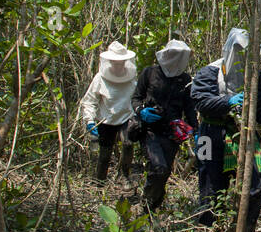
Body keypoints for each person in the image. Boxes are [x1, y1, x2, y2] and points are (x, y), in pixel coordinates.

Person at [191, 28, 261, 232]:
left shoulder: (256, 77)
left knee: (258, 187)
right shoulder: (209, 72)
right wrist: (228, 102)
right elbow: (200, 102)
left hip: (242, 134)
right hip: (208, 135)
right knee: (209, 190)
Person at [126, 39, 197, 211]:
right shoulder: (149, 73)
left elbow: (189, 108)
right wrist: (141, 110)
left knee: (164, 173)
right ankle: (145, 207)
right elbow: (135, 97)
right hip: (149, 129)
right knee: (158, 167)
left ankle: (154, 207)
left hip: (172, 133)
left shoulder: (185, 79)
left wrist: (196, 130)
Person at [79, 41, 139, 183]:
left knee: (128, 144)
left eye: (121, 62)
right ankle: (99, 181)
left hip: (126, 117)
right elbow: (89, 101)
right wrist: (90, 121)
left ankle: (124, 176)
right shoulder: (100, 78)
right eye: (115, 62)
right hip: (105, 119)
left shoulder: (131, 78)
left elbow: (136, 98)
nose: (118, 65)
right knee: (105, 153)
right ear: (110, 61)